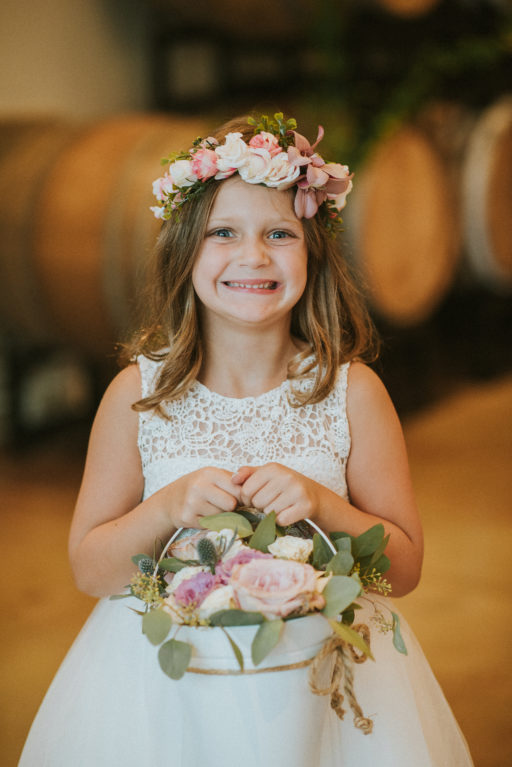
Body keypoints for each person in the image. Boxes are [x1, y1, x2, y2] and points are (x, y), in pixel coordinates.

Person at [19, 113, 473, 767]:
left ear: (313, 252)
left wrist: (325, 506)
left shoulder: (352, 392)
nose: (253, 255)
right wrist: (165, 509)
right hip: (166, 696)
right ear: (184, 251)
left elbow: (401, 572)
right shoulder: (137, 397)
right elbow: (90, 569)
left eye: (280, 233)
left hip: (325, 689)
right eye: (223, 232)